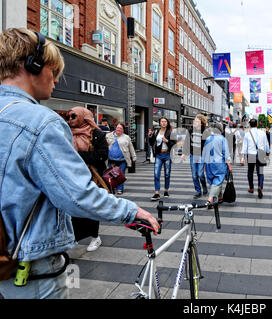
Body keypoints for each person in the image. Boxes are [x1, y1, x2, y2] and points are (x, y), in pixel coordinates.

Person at [0, 28, 160, 299]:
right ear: (33, 65)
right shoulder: (42, 122)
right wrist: (131, 211)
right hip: (29, 269)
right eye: (54, 70)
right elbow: (76, 195)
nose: (57, 80)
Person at [67, 106, 108, 252]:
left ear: (84, 117)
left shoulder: (96, 134)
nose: (70, 120)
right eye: (69, 117)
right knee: (72, 207)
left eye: (73, 116)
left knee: (90, 207)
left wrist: (79, 155)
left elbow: (102, 156)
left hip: (92, 177)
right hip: (71, 176)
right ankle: (74, 236)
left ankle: (95, 237)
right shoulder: (66, 133)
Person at [202, 123, 232, 205]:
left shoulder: (208, 139)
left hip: (209, 164)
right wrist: (229, 165)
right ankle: (210, 200)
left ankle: (219, 197)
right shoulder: (222, 139)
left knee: (213, 181)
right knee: (218, 181)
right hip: (219, 164)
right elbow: (226, 153)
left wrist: (205, 164)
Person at [242, 119, 270, 199]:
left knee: (250, 172)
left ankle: (251, 188)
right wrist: (268, 152)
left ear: (250, 125)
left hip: (251, 154)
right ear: (257, 125)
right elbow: (266, 144)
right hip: (260, 154)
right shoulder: (262, 133)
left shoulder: (247, 134)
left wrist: (243, 158)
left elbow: (244, 147)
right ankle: (260, 186)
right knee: (260, 172)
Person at [149, 117, 176, 201]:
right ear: (160, 123)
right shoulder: (156, 132)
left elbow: (175, 144)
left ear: (167, 123)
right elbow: (152, 143)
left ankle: (166, 191)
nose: (164, 123)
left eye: (165, 121)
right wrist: (150, 137)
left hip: (167, 155)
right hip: (159, 155)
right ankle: (157, 193)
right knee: (156, 173)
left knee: (167, 174)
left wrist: (167, 141)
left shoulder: (170, 132)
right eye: (162, 121)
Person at [105, 123, 136, 195]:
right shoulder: (108, 136)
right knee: (110, 175)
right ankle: (111, 188)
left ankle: (120, 189)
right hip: (111, 159)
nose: (118, 129)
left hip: (122, 160)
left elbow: (131, 148)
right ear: (115, 128)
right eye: (117, 128)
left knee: (120, 175)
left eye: (120, 128)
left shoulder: (126, 137)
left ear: (123, 130)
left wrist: (134, 157)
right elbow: (104, 145)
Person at [187, 114, 208, 199]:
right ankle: (198, 191)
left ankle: (204, 186)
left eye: (196, 121)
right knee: (194, 175)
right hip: (193, 155)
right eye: (194, 121)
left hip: (202, 155)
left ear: (201, 122)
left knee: (200, 174)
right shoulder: (190, 130)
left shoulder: (205, 131)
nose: (194, 122)